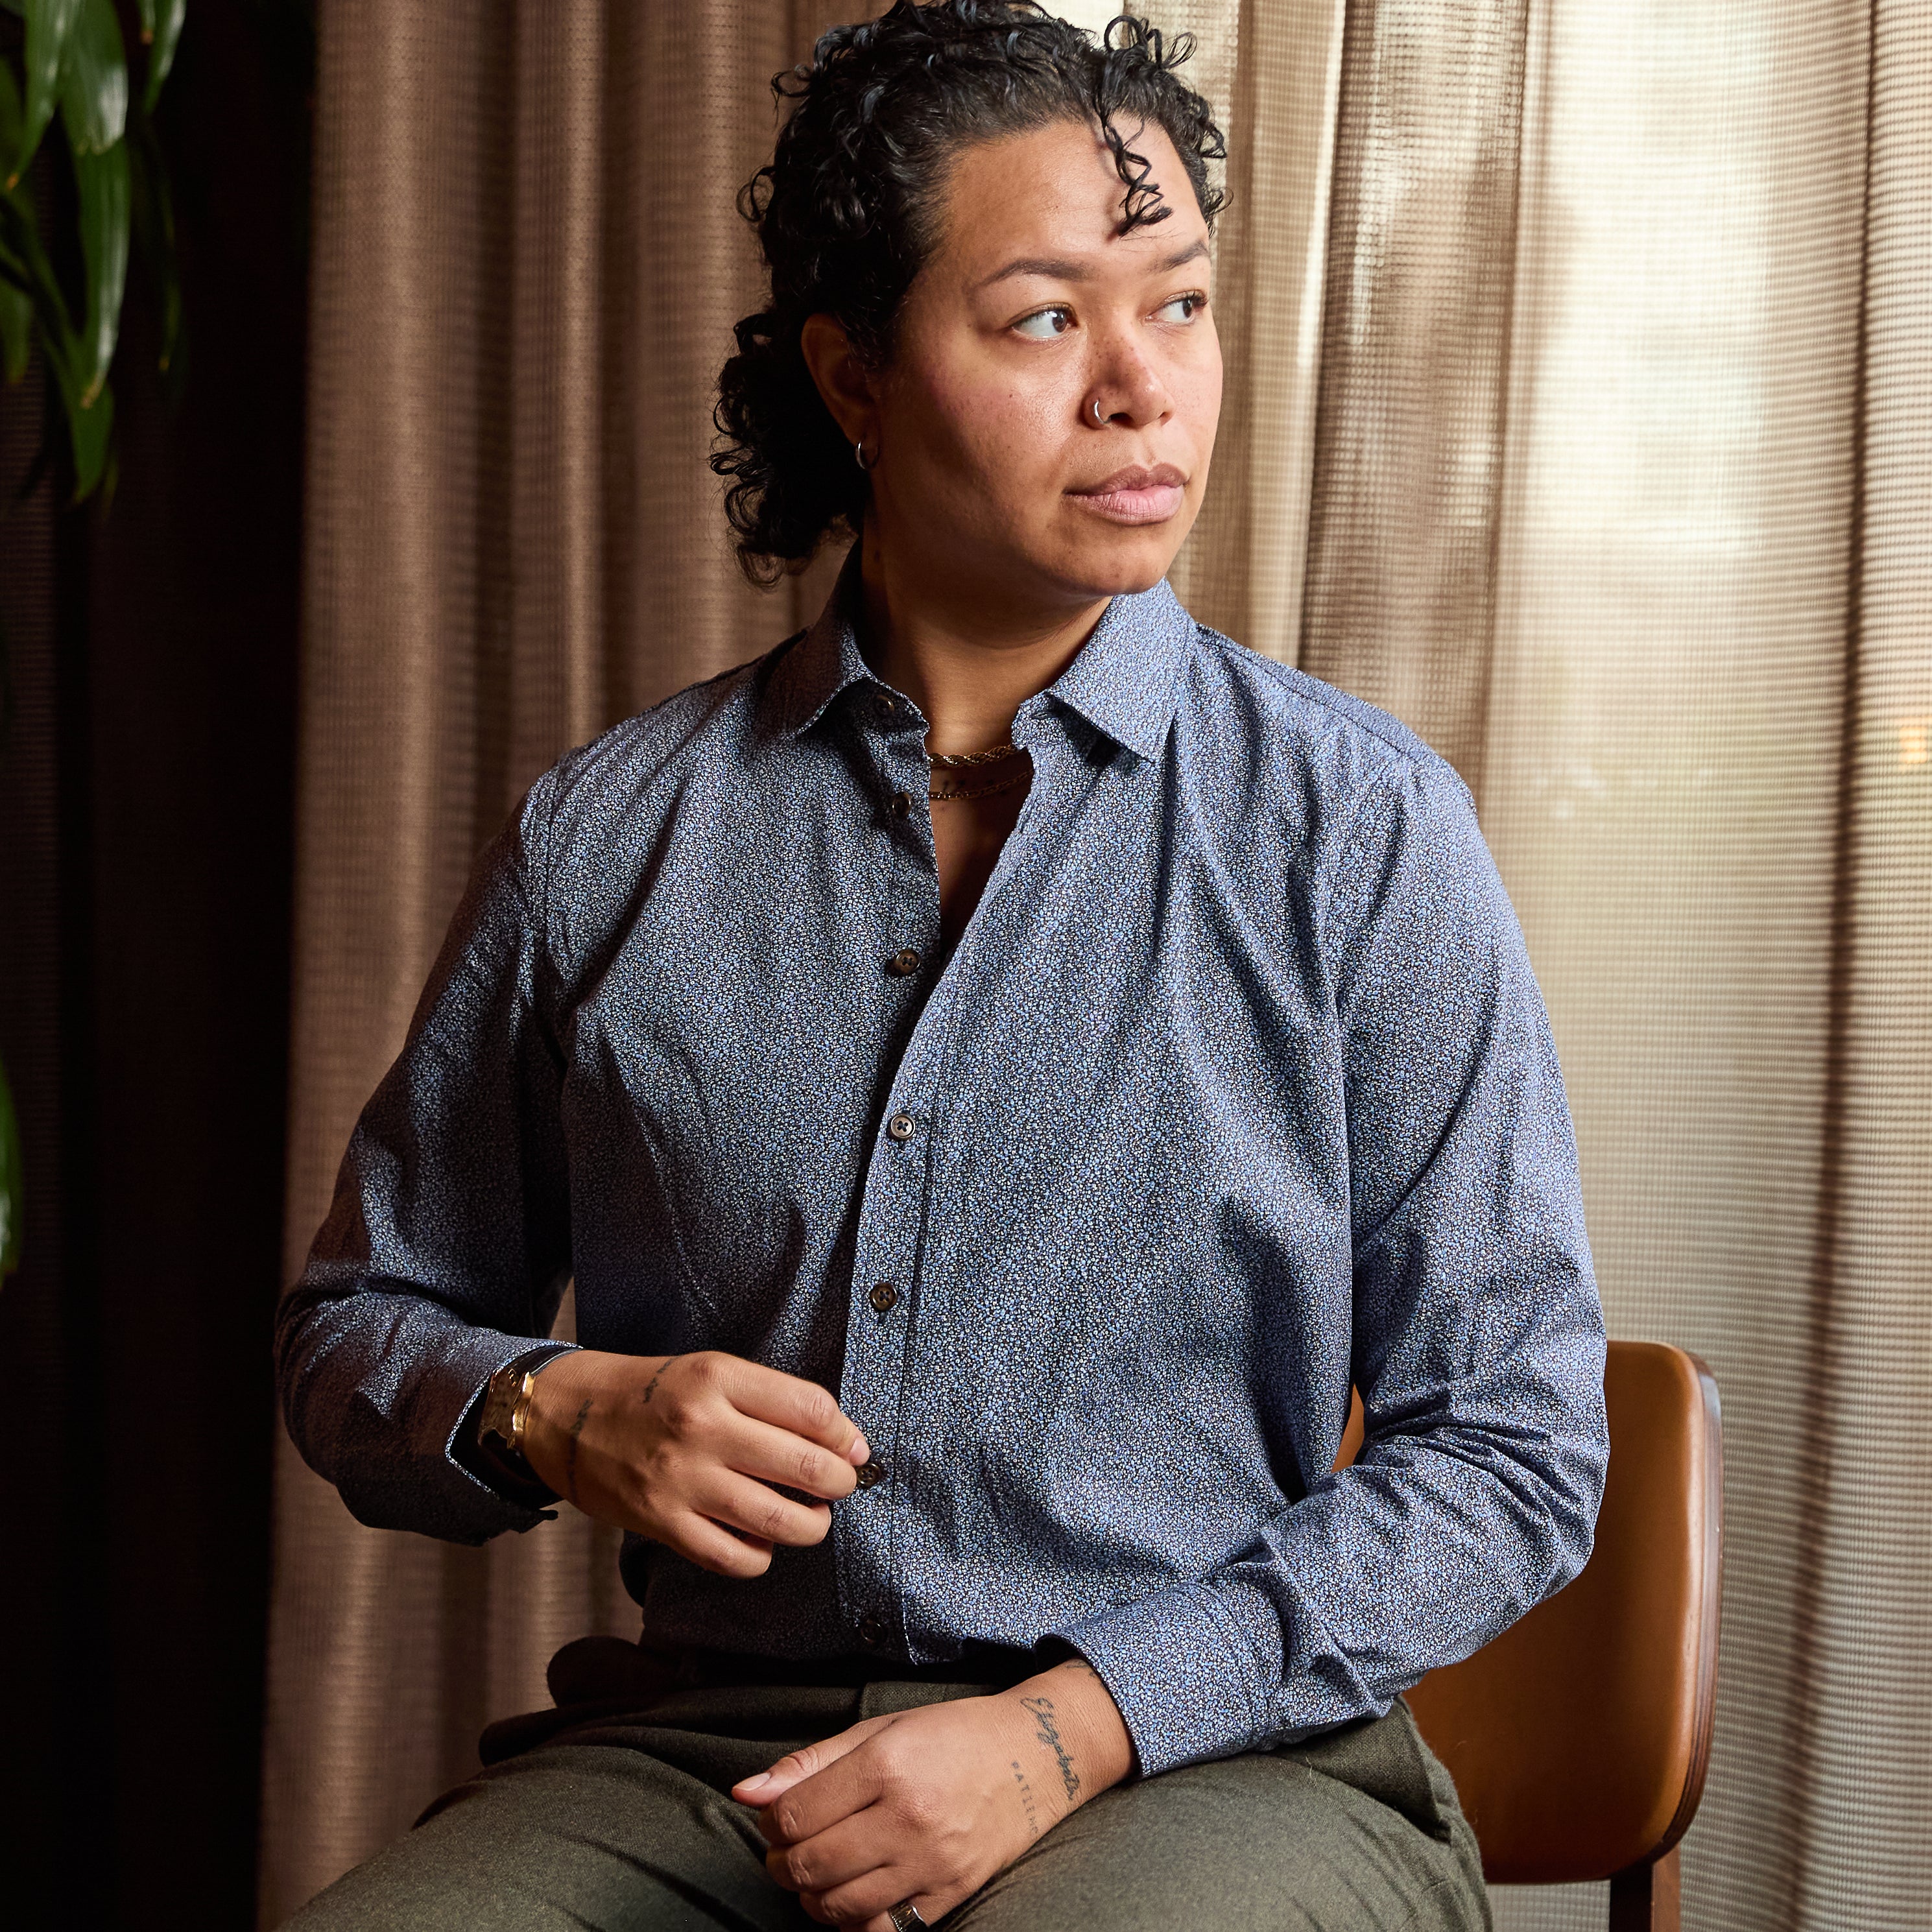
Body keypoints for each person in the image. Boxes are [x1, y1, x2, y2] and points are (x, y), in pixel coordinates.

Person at [274, 5, 1608, 1927]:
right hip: (707, 1763)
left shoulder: (1358, 829)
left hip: (1212, 1766)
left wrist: (1067, 1730)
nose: (1143, 389)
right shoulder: (611, 836)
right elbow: (352, 1330)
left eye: (1181, 303)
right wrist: (557, 1410)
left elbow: (1512, 1444)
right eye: (1045, 318)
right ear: (856, 376)